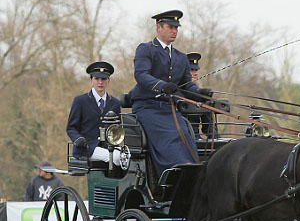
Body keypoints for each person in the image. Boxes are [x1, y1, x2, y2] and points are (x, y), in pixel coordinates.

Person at [127, 10, 213, 177]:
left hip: (169, 108)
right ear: (158, 27)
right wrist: (161, 86)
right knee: (168, 135)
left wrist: (200, 93)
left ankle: (192, 171)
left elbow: (187, 86)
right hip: (147, 106)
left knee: (185, 134)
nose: (174, 31)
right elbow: (141, 75)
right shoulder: (146, 49)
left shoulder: (181, 57)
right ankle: (173, 173)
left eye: (176, 28)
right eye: (170, 27)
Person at [66, 61, 122, 164]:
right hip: (87, 148)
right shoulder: (80, 101)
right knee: (117, 158)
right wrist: (78, 139)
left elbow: (118, 128)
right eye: (97, 79)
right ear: (91, 80)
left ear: (108, 81)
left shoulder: (115, 103)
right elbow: (71, 128)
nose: (100, 82)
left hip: (109, 147)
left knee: (129, 157)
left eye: (103, 79)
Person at [184, 51, 217, 138]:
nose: (196, 73)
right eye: (191, 70)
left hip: (195, 136)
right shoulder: (177, 87)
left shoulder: (197, 91)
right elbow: (191, 92)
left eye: (196, 70)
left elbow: (208, 125)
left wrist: (215, 139)